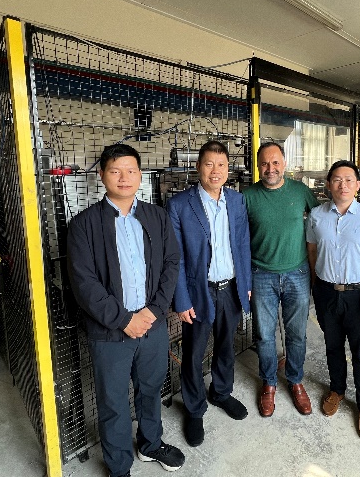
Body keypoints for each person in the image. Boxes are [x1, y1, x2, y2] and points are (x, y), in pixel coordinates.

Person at [67, 144, 185, 477]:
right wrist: (123, 320)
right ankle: (119, 467)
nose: (124, 177)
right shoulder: (84, 225)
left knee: (151, 389)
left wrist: (154, 311)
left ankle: (150, 445)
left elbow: (171, 263)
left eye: (131, 171)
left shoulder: (156, 216)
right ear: (102, 175)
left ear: (140, 175)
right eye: (115, 171)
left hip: (152, 325)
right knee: (113, 402)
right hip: (110, 332)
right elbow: (84, 283)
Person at [167, 141, 252, 447]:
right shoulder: (179, 205)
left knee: (227, 346)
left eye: (221, 165)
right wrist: (181, 299)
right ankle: (194, 409)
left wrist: (246, 283)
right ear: (198, 167)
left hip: (231, 287)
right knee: (193, 353)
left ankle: (221, 392)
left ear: (228, 169)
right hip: (198, 292)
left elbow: (242, 244)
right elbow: (175, 258)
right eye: (209, 164)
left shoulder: (237, 201)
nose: (215, 171)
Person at [305, 160, 360, 440]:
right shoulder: (316, 216)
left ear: (357, 185)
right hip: (326, 293)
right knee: (333, 346)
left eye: (348, 180)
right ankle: (337, 390)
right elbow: (312, 251)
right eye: (336, 179)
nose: (342, 185)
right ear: (328, 185)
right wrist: (316, 285)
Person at [243, 142, 320, 417]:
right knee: (264, 335)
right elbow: (239, 238)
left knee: (296, 333)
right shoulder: (248, 196)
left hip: (297, 273)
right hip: (260, 274)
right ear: (258, 166)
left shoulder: (301, 192)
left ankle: (296, 380)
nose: (270, 168)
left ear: (284, 164)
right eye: (264, 163)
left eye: (275, 162)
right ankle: (269, 382)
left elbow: (320, 222)